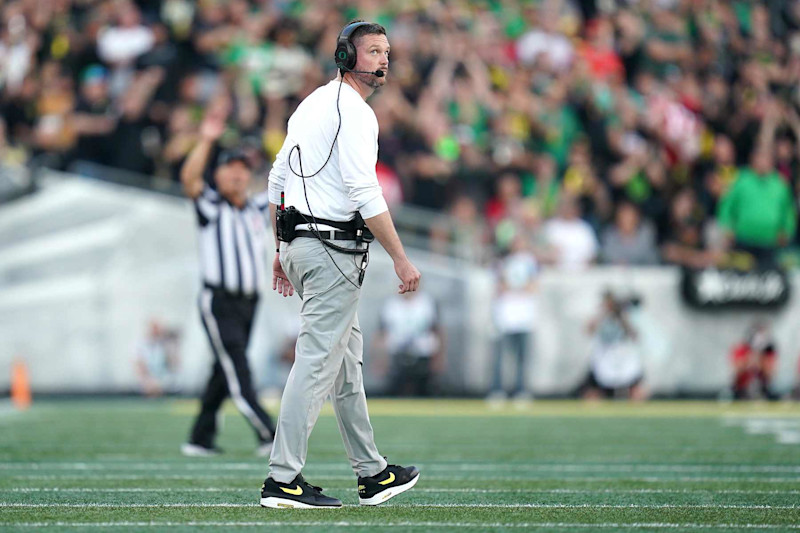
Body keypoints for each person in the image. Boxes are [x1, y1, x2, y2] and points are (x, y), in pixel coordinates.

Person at [260, 20, 421, 509]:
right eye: (373, 51)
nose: (383, 59)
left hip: (303, 242)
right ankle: (282, 479)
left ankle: (372, 474)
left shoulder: (312, 102)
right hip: (331, 250)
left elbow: (276, 179)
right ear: (345, 56)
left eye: (386, 50)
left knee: (345, 366)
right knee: (315, 363)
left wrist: (279, 250)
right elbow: (362, 189)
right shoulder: (355, 112)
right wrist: (400, 256)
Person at [178, 110, 276, 458]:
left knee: (224, 369)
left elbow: (287, 187)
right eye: (229, 167)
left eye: (242, 168)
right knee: (237, 368)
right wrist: (205, 139)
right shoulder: (211, 205)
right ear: (217, 174)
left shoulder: (255, 208)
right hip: (218, 301)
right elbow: (189, 179)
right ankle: (270, 432)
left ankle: (199, 438)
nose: (237, 173)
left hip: (249, 303)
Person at [374, 290, 446, 397]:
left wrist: (440, 358)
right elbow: (381, 333)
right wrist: (380, 359)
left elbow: (438, 331)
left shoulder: (427, 303)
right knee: (393, 393)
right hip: (396, 356)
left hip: (423, 356)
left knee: (426, 393)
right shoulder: (390, 304)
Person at [582, 291, 647, 400]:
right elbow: (589, 330)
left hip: (624, 360)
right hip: (603, 360)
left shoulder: (626, 316)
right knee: (591, 394)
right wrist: (604, 312)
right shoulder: (601, 316)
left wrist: (621, 316)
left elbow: (635, 336)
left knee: (638, 392)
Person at [730, 322, 778, 401]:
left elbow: (770, 374)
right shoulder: (742, 349)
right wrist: (751, 356)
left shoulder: (768, 352)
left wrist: (761, 358)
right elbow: (737, 371)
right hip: (741, 389)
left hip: (763, 389)